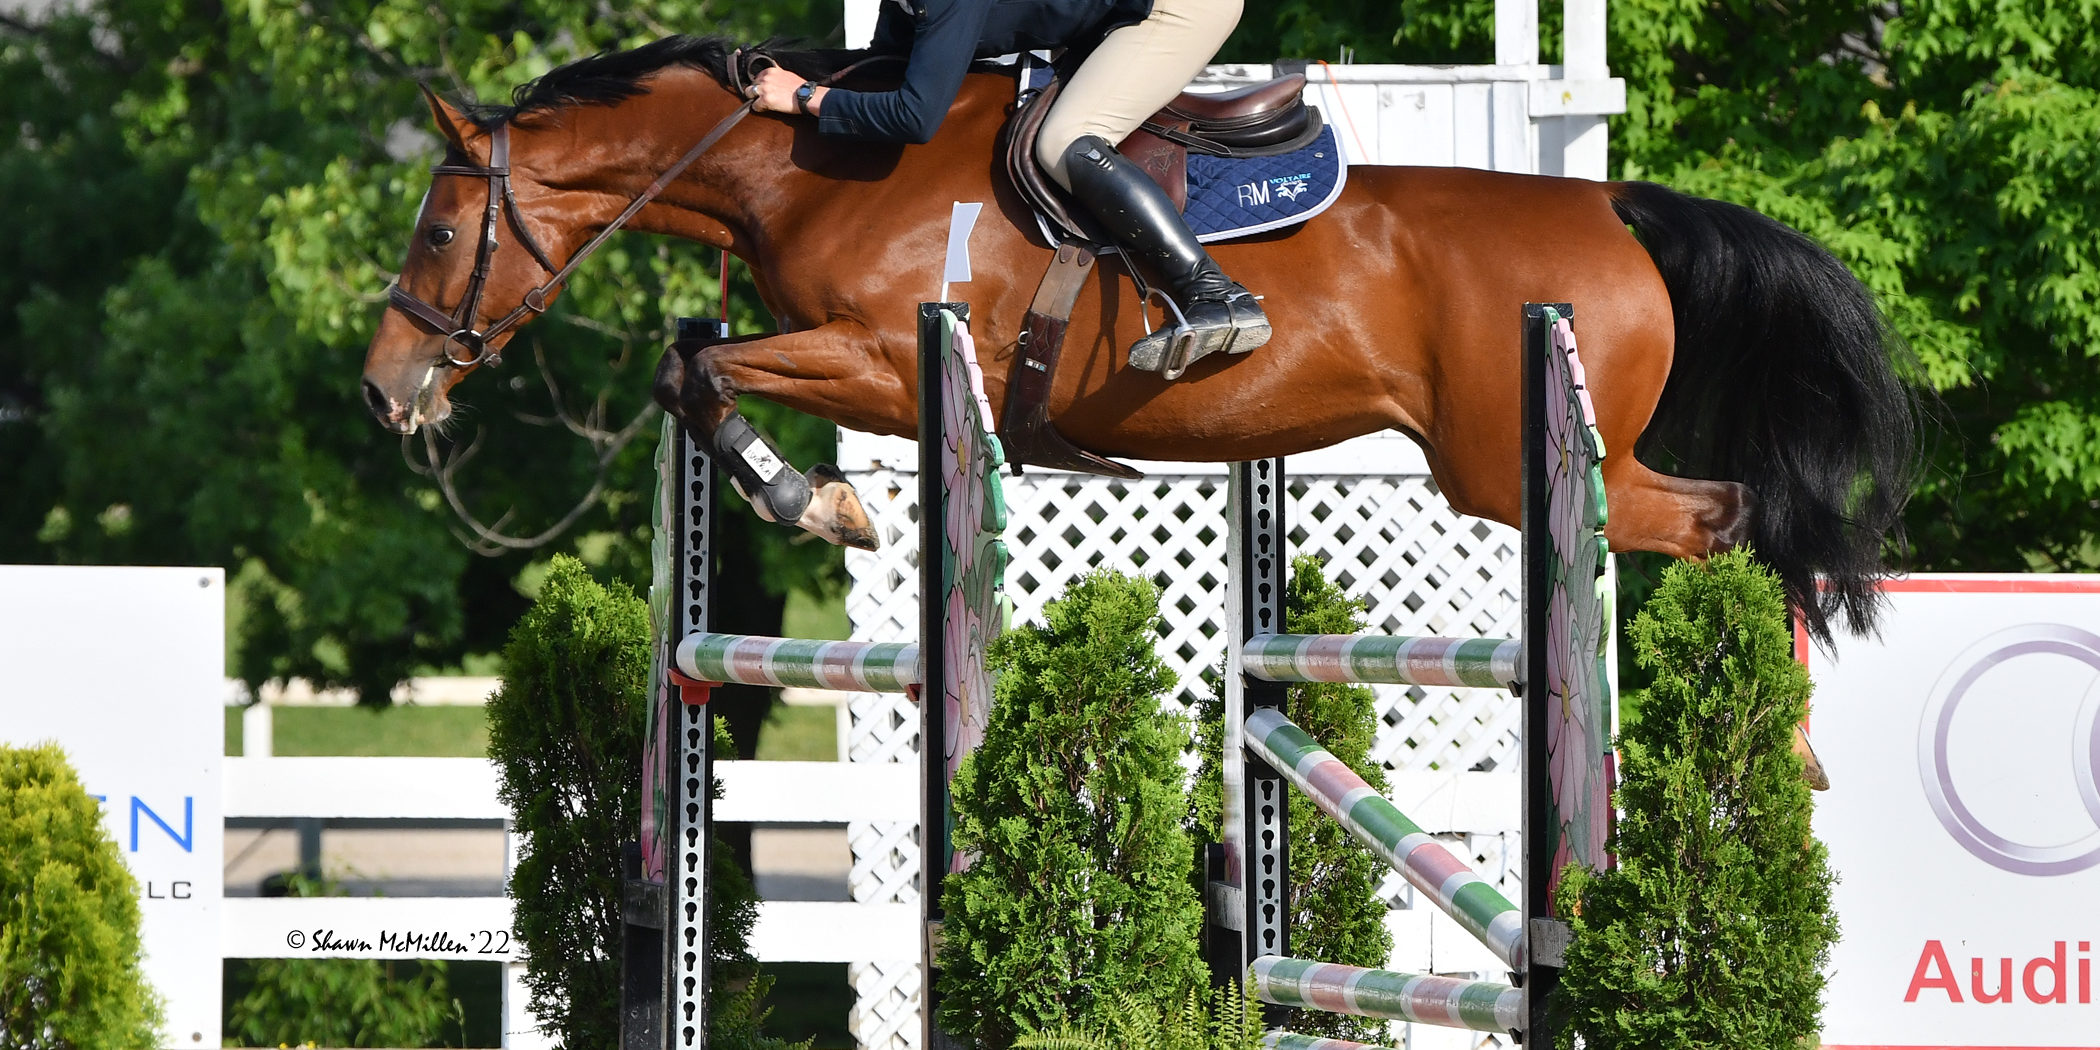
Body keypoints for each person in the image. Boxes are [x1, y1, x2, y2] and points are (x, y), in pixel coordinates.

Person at [748, 0, 1271, 374]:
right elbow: (884, 73)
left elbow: (915, 116)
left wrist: (805, 97)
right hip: (1112, 15)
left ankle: (1214, 293)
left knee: (1064, 140)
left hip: (1175, 7)